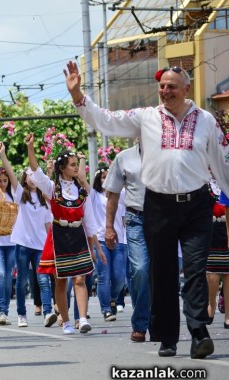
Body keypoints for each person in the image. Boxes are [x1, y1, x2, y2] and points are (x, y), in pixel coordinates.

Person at [65, 60, 229, 358]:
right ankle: (167, 337)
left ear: (187, 89)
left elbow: (221, 162)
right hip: (158, 205)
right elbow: (106, 120)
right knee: (162, 272)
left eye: (172, 87)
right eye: (162, 86)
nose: (165, 92)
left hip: (197, 205)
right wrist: (79, 96)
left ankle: (199, 333)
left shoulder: (205, 120)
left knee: (194, 270)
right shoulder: (145, 117)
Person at [26, 133, 104, 335]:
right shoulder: (53, 188)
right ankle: (67, 322)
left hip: (78, 235)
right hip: (59, 235)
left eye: (76, 164)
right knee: (61, 281)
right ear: (62, 168)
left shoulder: (81, 192)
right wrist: (31, 148)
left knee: (80, 279)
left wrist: (95, 246)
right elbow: (36, 171)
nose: (76, 167)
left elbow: (89, 220)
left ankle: (83, 319)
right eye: (71, 164)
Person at [0, 142, 54, 327]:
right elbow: (10, 174)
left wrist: (51, 247)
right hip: (22, 244)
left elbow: (47, 225)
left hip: (40, 246)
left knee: (43, 279)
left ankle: (48, 312)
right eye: (29, 174)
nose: (32, 177)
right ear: (25, 178)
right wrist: (3, 155)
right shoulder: (20, 194)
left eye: (34, 174)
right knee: (21, 282)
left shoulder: (45, 199)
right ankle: (21, 314)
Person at [103, 142, 151, 342]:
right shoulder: (124, 157)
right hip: (135, 219)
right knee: (140, 269)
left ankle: (159, 321)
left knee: (162, 272)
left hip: (165, 220)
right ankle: (140, 323)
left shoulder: (167, 155)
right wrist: (109, 227)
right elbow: (112, 195)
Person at [88, 166, 127, 322]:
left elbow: (124, 219)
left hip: (120, 241)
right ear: (98, 179)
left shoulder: (121, 194)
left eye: (109, 177)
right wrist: (82, 160)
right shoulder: (94, 195)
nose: (106, 180)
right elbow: (84, 182)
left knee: (119, 278)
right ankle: (106, 309)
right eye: (103, 177)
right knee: (104, 277)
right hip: (101, 240)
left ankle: (112, 297)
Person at [0, 166, 18, 326]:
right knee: (0, 274)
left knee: (8, 278)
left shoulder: (12, 196)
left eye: (5, 180)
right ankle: (0, 310)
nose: (2, 183)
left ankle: (5, 310)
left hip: (11, 242)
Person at [206, 190, 229, 329]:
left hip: (228, 228)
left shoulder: (226, 183)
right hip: (210, 231)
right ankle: (211, 304)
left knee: (228, 274)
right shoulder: (205, 184)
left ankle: (228, 315)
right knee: (212, 275)